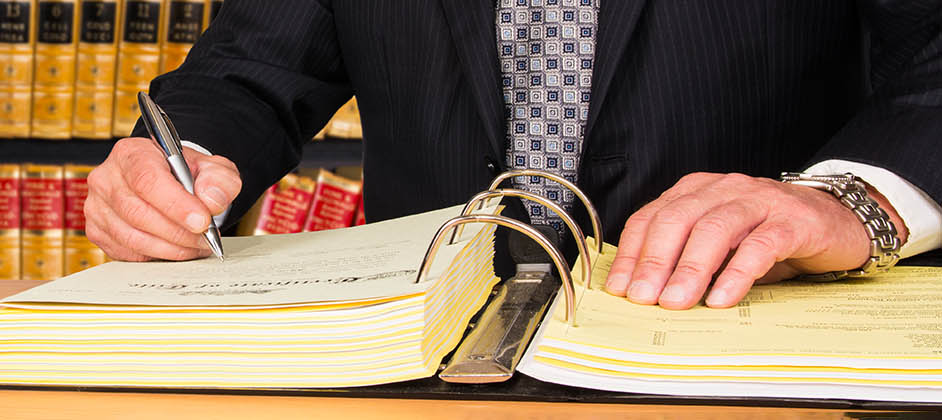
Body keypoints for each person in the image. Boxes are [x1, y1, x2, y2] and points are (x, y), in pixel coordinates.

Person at [84, 0, 942, 310]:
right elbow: (247, 70)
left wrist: (845, 202)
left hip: (733, 335)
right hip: (422, 355)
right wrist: (178, 160)